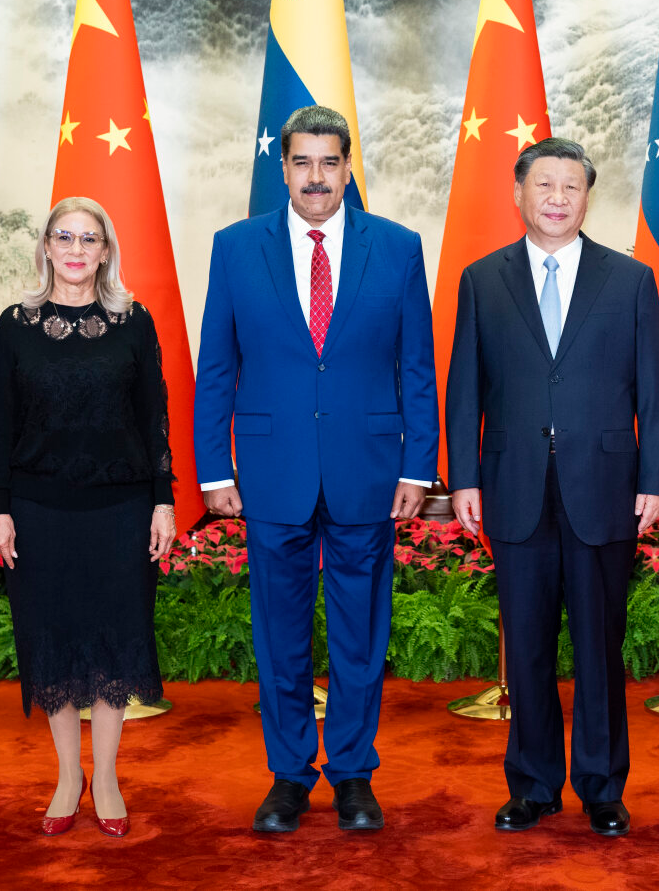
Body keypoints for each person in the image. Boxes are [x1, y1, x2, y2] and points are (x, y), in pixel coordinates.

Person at [194, 105, 439, 833]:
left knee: (361, 638)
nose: (316, 177)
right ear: (283, 168)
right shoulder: (235, 248)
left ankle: (355, 776)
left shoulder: (397, 247)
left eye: (329, 162)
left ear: (348, 167)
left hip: (370, 472)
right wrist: (214, 471)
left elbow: (417, 368)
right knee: (281, 638)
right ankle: (289, 776)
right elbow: (217, 368)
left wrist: (418, 467)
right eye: (302, 162)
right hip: (272, 472)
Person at [445, 137, 659, 837]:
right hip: (514, 486)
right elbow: (464, 388)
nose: (556, 198)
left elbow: (655, 391)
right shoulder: (482, 280)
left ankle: (602, 787)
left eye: (571, 186)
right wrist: (464, 478)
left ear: (587, 197)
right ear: (519, 193)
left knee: (600, 646)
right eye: (543, 184)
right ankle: (534, 785)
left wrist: (656, 479)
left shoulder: (629, 279)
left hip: (604, 486)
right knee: (528, 646)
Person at [0, 196, 176, 838]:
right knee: (55, 645)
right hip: (39, 513)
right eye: (63, 236)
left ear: (105, 251)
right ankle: (69, 777)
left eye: (88, 238)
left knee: (113, 644)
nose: (75, 249)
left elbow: (154, 419)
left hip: (120, 511)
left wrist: (164, 500)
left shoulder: (134, 322)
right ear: (45, 246)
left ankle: (109, 778)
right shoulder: (14, 326)